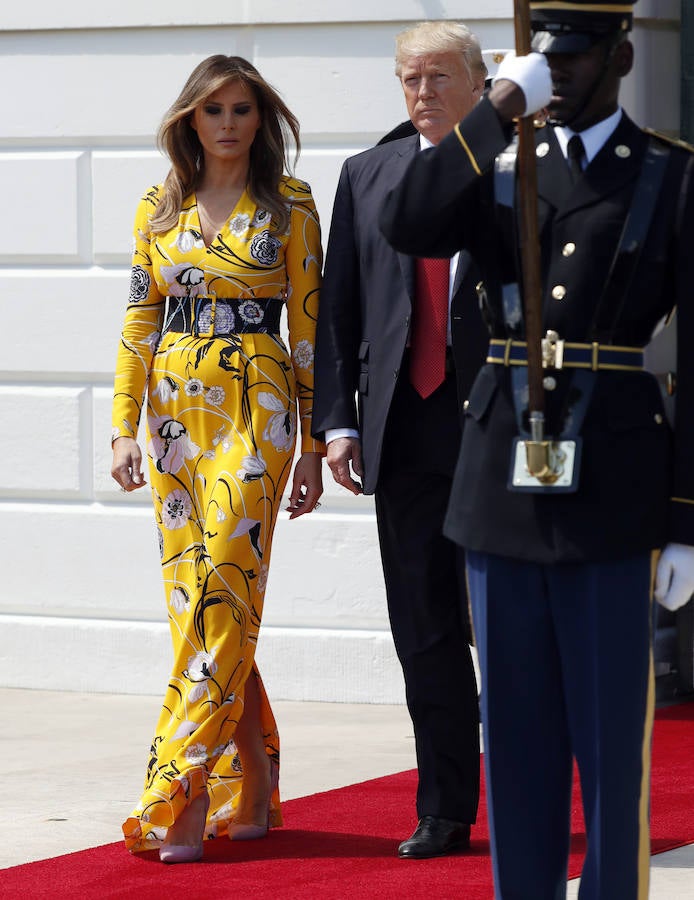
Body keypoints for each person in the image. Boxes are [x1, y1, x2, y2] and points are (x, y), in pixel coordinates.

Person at [380, 1, 694, 896]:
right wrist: (491, 112)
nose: (558, 75)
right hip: (499, 480)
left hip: (613, 478)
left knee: (610, 738)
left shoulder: (669, 175)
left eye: (576, 58)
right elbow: (404, 219)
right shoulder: (497, 161)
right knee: (514, 734)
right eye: (544, 58)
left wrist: (686, 516)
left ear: (621, 58)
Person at [110, 54, 324, 863]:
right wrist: (123, 427)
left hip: (256, 409)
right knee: (200, 601)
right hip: (173, 419)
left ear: (261, 119)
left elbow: (308, 330)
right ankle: (255, 775)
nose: (228, 123)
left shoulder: (290, 203)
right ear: (190, 120)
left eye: (241, 109)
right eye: (213, 110)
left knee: (226, 585)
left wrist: (311, 444)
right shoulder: (157, 205)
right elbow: (138, 321)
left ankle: (184, 789)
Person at [312, 21, 490, 859]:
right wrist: (338, 421)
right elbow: (339, 307)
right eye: (410, 78)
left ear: (481, 83)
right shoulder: (368, 173)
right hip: (404, 427)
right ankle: (445, 809)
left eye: (439, 76)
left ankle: (534, 787)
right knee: (423, 626)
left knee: (508, 623)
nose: (422, 92)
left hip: (495, 427)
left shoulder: (517, 168)